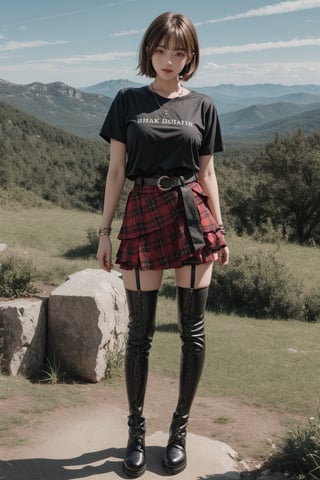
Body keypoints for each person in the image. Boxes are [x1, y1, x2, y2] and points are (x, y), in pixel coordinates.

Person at [97, 11, 229, 477]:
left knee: (192, 332)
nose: (169, 60)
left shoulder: (204, 106)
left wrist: (220, 227)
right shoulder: (127, 100)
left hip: (193, 216)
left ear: (190, 56)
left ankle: (179, 432)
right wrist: (104, 232)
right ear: (148, 51)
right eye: (160, 50)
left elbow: (208, 172)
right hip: (142, 211)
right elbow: (116, 171)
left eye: (179, 52)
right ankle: (135, 430)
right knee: (140, 334)